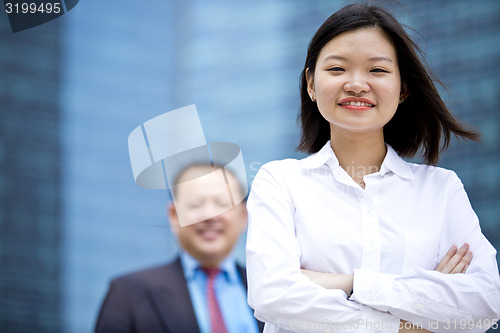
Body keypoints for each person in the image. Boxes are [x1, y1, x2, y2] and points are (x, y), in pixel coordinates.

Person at [246, 3, 500, 333]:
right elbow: (272, 296)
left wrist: (349, 283)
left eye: (377, 71)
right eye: (337, 69)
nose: (356, 84)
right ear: (310, 83)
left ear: (403, 88)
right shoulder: (280, 182)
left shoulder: (440, 189)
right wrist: (407, 325)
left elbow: (484, 303)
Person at [95, 164, 263, 333]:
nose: (210, 215)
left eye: (223, 204)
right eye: (195, 204)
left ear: (243, 216)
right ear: (174, 215)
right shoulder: (129, 293)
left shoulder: (268, 289)